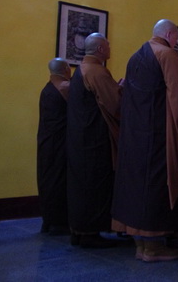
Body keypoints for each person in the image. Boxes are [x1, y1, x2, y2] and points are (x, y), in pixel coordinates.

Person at [112, 19, 178, 262]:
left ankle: (141, 246)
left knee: (136, 186)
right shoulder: (166, 55)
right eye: (177, 38)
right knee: (157, 183)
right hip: (158, 134)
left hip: (134, 134)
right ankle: (154, 247)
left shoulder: (135, 57)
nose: (177, 42)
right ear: (169, 34)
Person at [66, 33, 121, 248]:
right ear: (100, 50)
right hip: (95, 140)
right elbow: (115, 104)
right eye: (107, 45)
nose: (110, 48)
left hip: (81, 139)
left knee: (82, 185)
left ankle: (79, 231)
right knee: (95, 185)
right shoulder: (97, 71)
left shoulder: (81, 69)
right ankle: (89, 233)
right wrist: (123, 89)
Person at [36, 58, 71, 235]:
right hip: (60, 142)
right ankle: (59, 221)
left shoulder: (47, 88)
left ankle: (48, 220)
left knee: (47, 179)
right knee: (59, 179)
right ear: (65, 69)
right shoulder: (64, 87)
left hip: (46, 141)